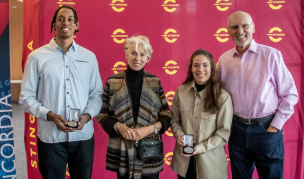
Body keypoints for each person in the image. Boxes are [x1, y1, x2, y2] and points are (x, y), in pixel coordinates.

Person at [19, 6, 103, 179]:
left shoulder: (89, 57)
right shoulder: (37, 57)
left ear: (76, 25)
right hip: (50, 138)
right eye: (61, 18)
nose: (66, 22)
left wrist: (86, 117)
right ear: (54, 24)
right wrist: (49, 115)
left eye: (70, 19)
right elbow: (26, 97)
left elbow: (96, 95)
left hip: (83, 137)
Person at [218, 11, 299, 179]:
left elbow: (290, 94)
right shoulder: (224, 60)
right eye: (234, 27)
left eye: (245, 25)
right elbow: (217, 95)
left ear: (253, 27)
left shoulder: (271, 55)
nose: (240, 31)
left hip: (266, 129)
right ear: (228, 31)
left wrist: (275, 126)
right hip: (237, 131)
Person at [97, 35, 172, 179]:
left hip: (150, 150)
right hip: (122, 151)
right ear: (126, 55)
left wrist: (149, 129)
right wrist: (118, 126)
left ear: (147, 57)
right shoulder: (113, 81)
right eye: (133, 53)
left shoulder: (154, 81)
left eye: (142, 54)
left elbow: (166, 115)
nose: (137, 58)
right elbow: (102, 114)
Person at [170, 49, 233, 179]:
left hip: (211, 166)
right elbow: (174, 120)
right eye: (196, 65)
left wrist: (199, 148)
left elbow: (223, 134)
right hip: (184, 163)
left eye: (205, 65)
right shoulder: (181, 92)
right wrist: (179, 134)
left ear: (211, 68)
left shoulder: (222, 97)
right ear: (191, 68)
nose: (200, 69)